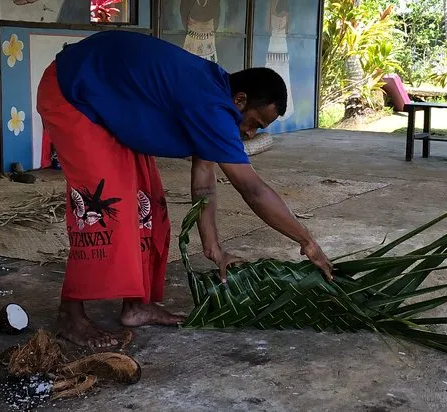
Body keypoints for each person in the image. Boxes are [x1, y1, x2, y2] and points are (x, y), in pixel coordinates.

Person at [36, 30, 333, 349]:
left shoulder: (216, 97)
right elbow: (253, 190)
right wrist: (307, 242)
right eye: (254, 123)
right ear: (240, 100)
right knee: (105, 208)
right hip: (71, 91)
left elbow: (204, 178)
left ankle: (135, 305)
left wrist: (214, 248)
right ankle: (70, 313)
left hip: (104, 98)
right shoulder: (212, 106)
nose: (249, 133)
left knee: (148, 205)